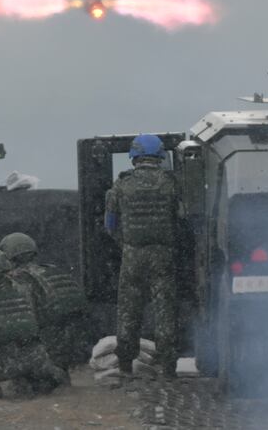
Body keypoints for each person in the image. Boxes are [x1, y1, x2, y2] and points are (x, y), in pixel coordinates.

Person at [104, 134, 182, 378]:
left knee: (129, 308)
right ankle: (169, 367)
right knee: (165, 308)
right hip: (163, 253)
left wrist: (125, 243)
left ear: (134, 156)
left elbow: (110, 224)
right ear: (160, 155)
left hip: (132, 254)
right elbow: (181, 219)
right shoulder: (171, 183)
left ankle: (126, 365)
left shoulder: (122, 185)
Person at [0, 249, 68, 397]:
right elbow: (45, 319)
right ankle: (42, 380)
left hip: (0, 367)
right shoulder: (28, 288)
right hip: (37, 360)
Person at [0, 232, 92, 369]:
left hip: (48, 348)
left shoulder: (18, 279)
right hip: (79, 344)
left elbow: (24, 321)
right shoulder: (52, 270)